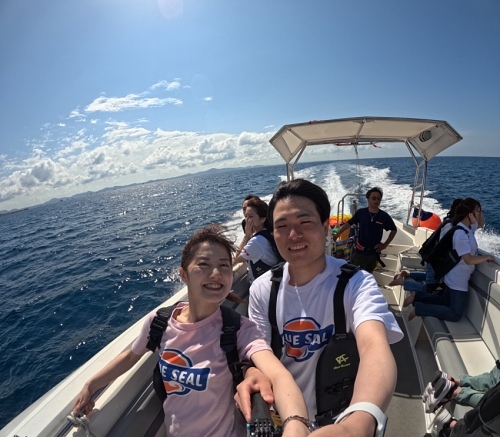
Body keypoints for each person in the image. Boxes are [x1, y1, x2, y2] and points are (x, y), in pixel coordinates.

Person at [72, 224, 309, 437]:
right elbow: (130, 356)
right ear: (183, 274)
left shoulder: (239, 329)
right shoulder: (160, 322)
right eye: (204, 265)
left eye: (224, 265)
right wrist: (91, 385)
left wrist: (296, 424)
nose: (216, 273)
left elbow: (279, 375)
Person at [235, 179, 404, 436]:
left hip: (340, 418)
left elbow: (374, 347)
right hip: (284, 419)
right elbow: (261, 354)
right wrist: (251, 372)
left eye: (305, 222)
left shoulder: (356, 283)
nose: (293, 235)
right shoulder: (262, 289)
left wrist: (357, 423)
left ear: (325, 227)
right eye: (282, 226)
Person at [405, 198, 495, 321]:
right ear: (469, 215)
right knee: (455, 314)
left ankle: (417, 297)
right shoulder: (461, 234)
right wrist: (487, 257)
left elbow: (480, 223)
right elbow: (468, 260)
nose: (479, 215)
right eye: (477, 212)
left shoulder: (467, 228)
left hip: (454, 276)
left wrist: (478, 208)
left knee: (444, 301)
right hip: (458, 280)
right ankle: (419, 309)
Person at [389, 198, 464, 293]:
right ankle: (402, 282)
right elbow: (443, 244)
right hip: (435, 260)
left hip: (435, 259)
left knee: (431, 278)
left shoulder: (449, 222)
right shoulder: (450, 226)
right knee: (430, 287)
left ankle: (407, 274)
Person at [333, 187, 397, 273]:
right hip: (360, 253)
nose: (376, 201)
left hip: (373, 254)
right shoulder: (361, 213)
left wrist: (385, 245)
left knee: (368, 275)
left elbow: (393, 230)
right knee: (354, 275)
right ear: (368, 199)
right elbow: (349, 223)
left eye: (378, 198)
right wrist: (337, 234)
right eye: (374, 198)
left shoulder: (384, 216)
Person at [233, 197, 279, 282]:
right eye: (246, 216)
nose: (247, 220)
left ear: (263, 219)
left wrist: (246, 236)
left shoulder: (256, 241)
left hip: (263, 284)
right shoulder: (269, 232)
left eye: (250, 217)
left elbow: (237, 259)